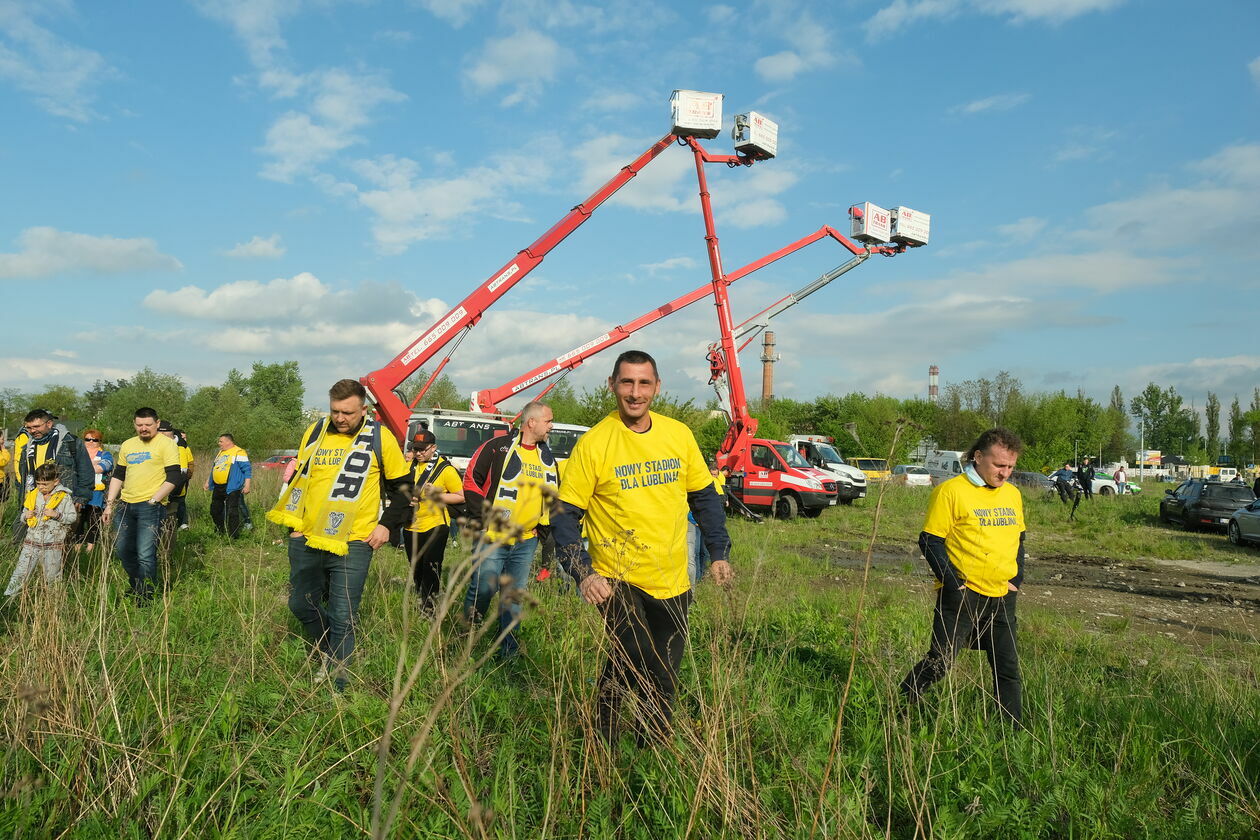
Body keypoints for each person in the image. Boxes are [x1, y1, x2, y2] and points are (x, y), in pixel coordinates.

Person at [553, 350, 733, 744]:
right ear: (612, 386)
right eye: (627, 383)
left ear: (657, 387)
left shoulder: (678, 434)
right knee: (635, 656)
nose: (635, 393)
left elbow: (704, 498)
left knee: (664, 669)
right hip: (617, 577)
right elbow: (564, 516)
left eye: (644, 383)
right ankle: (604, 740)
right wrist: (583, 572)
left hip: (671, 576)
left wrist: (718, 552)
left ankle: (651, 750)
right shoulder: (596, 443)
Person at [267, 379, 412, 692]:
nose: (340, 418)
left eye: (348, 412)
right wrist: (293, 527)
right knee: (300, 604)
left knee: (343, 614)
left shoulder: (379, 437)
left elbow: (403, 488)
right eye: (335, 411)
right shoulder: (316, 431)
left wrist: (387, 525)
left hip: (354, 541)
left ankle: (338, 682)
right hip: (307, 537)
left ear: (364, 409)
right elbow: (301, 480)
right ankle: (326, 649)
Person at [899, 427, 1026, 727]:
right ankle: (901, 704)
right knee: (941, 662)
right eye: (999, 465)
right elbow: (930, 540)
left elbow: (1019, 540)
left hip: (1002, 596)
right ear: (978, 457)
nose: (1005, 473)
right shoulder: (951, 491)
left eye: (1010, 467)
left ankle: (1012, 732)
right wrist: (954, 583)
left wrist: (1016, 580)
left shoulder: (1013, 494)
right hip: (962, 596)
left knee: (1007, 668)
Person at [461, 401, 559, 659]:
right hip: (492, 536)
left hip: (526, 540)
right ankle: (467, 637)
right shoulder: (497, 448)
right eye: (548, 420)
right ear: (532, 422)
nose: (552, 425)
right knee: (483, 588)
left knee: (513, 596)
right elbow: (471, 479)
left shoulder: (547, 457)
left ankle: (509, 652)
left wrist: (543, 527)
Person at [103, 408, 182, 604]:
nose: (144, 428)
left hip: (151, 506)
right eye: (140, 425)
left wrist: (155, 500)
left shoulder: (167, 445)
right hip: (125, 505)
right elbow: (118, 475)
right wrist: (110, 504)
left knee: (145, 554)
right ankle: (137, 585)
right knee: (122, 550)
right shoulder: (128, 445)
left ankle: (146, 597)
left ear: (157, 423)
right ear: (134, 424)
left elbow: (174, 477)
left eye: (148, 424)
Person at [403, 429, 464, 612]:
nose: (419, 453)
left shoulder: (445, 469)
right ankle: (420, 596)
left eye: (423, 449)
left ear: (433, 448)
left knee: (431, 566)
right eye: (416, 449)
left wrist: (437, 495)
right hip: (411, 524)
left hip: (436, 523)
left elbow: (460, 496)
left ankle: (429, 608)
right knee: (416, 566)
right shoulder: (408, 466)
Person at [11, 409, 92, 543]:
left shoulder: (70, 442)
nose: (32, 431)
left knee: (59, 546)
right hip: (32, 501)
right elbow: (23, 474)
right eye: (29, 428)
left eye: (36, 426)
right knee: (22, 542)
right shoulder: (27, 447)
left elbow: (86, 471)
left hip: (60, 502)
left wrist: (81, 498)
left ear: (49, 423)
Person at [5, 462, 78, 596]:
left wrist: (57, 515)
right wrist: (25, 516)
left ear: (56, 482)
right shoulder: (33, 495)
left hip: (53, 544)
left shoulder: (63, 497)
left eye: (45, 484)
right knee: (20, 573)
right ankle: (8, 600)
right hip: (31, 542)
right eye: (38, 483)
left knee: (52, 577)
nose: (41, 487)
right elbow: (23, 515)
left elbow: (72, 517)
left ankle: (53, 604)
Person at [207, 433, 251, 538]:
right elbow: (215, 467)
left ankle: (233, 535)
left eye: (221, 441)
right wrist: (208, 481)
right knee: (214, 510)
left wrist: (247, 485)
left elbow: (247, 470)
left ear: (228, 441)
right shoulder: (220, 453)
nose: (219, 443)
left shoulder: (239, 452)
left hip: (232, 486)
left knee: (232, 511)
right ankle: (220, 529)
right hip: (218, 486)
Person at [76, 428, 114, 551]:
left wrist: (84, 467)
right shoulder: (78, 453)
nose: (91, 442)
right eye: (88, 439)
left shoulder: (105, 454)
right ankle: (77, 546)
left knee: (94, 520)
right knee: (78, 519)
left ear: (100, 441)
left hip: (97, 494)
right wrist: (93, 466)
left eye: (95, 440)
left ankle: (90, 548)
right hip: (79, 492)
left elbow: (104, 466)